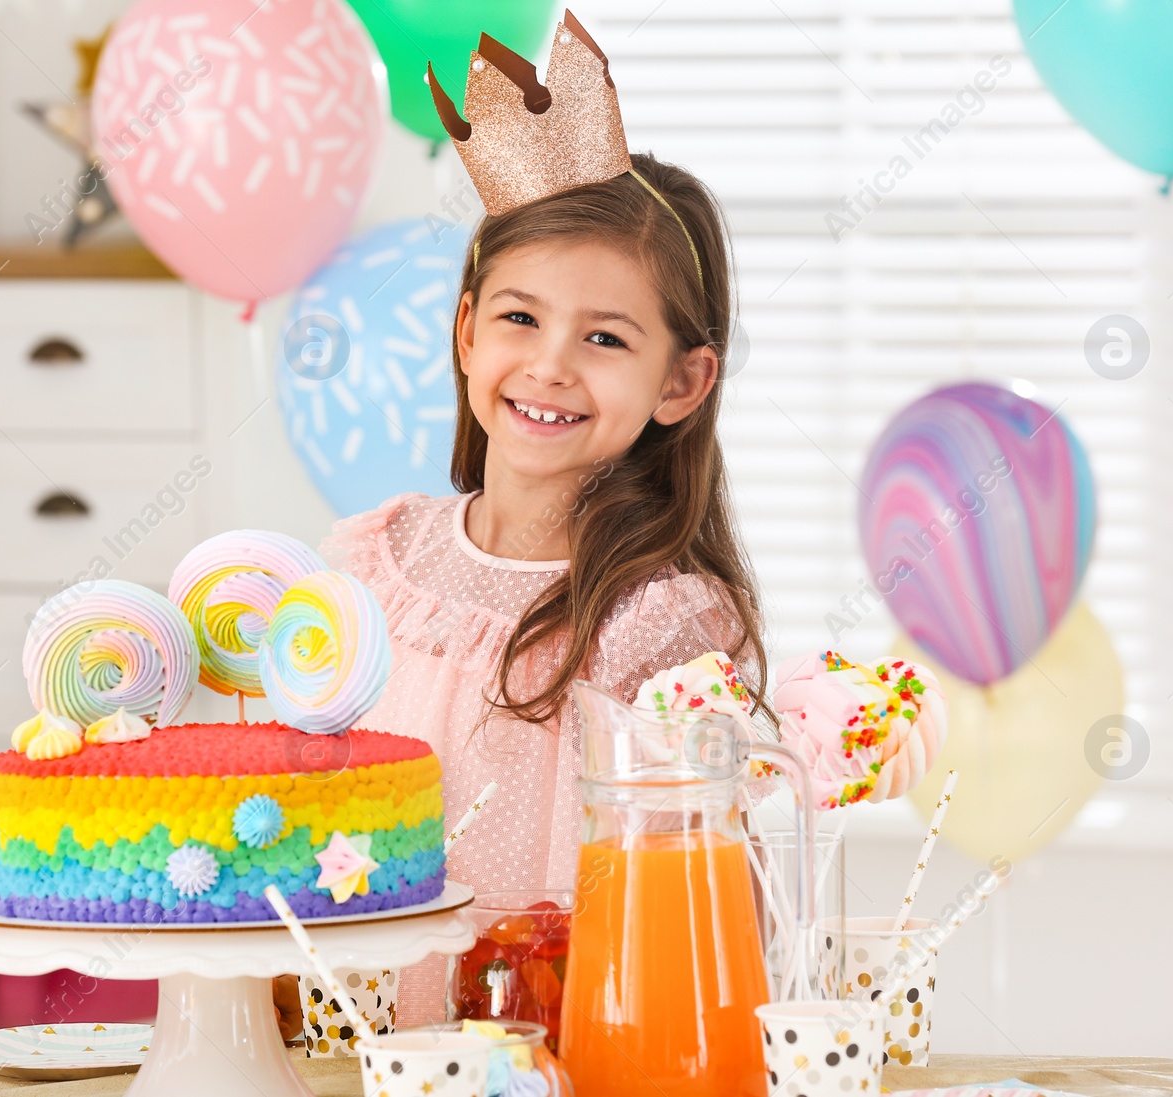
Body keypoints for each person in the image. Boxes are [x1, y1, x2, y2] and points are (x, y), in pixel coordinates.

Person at [314, 13, 775, 1026]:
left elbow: (706, 899)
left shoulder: (663, 625)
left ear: (682, 381)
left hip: (580, 1050)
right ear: (467, 328)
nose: (552, 364)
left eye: (605, 336)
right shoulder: (370, 567)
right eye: (520, 317)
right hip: (360, 1052)